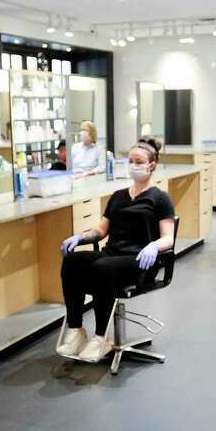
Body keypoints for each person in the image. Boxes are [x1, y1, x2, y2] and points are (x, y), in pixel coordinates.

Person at [57, 136, 175, 362]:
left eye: (138, 161)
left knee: (102, 267)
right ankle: (76, 331)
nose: (133, 165)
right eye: (130, 160)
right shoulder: (118, 196)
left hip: (140, 259)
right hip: (112, 254)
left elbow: (168, 238)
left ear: (151, 165)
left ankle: (101, 337)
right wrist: (81, 237)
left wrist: (153, 246)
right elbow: (101, 231)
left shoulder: (160, 198)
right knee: (72, 261)